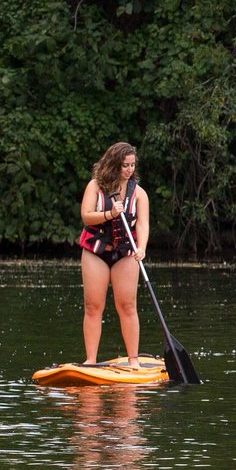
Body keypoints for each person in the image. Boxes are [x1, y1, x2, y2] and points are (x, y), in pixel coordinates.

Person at [77, 142, 150, 367]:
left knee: (127, 306)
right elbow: (86, 216)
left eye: (132, 165)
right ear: (114, 164)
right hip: (96, 252)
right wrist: (109, 213)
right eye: (124, 165)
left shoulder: (138, 193)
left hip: (126, 253)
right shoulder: (95, 186)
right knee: (93, 306)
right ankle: (90, 360)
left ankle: (133, 360)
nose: (129, 170)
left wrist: (142, 247)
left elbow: (143, 225)